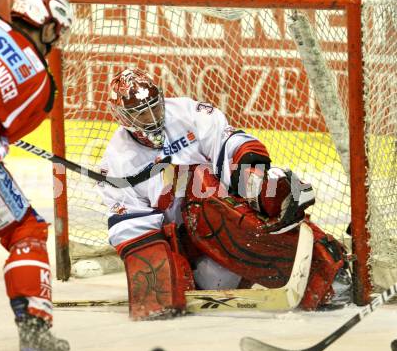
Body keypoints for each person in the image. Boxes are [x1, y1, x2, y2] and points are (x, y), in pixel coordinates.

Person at [99, 67, 351, 320]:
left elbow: (227, 144)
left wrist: (255, 180)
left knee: (239, 184)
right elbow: (131, 224)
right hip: (191, 249)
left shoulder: (188, 113)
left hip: (221, 212)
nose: (152, 117)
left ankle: (326, 269)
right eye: (141, 114)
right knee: (199, 190)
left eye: (154, 107)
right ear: (123, 118)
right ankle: (320, 271)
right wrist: (156, 276)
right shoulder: (117, 160)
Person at [0, 0, 73, 351]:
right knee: (26, 231)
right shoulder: (41, 86)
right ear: (48, 26)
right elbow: (6, 132)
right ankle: (34, 330)